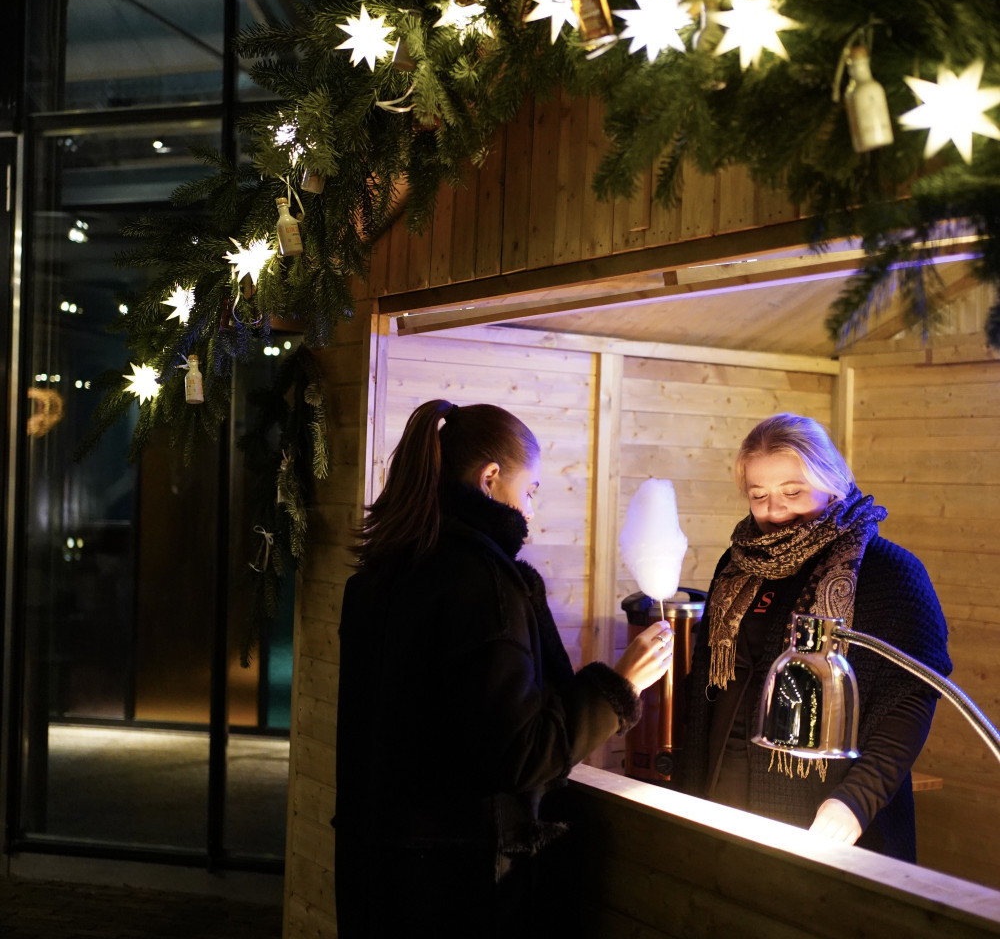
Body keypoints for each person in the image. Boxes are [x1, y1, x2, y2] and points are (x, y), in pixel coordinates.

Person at [334, 399, 672, 938]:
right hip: (457, 888)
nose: (531, 511)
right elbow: (522, 753)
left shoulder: (380, 575)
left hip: (378, 873)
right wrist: (621, 684)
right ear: (490, 478)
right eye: (531, 490)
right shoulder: (482, 585)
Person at [676, 412, 951, 862]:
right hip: (721, 796)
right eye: (758, 495)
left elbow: (910, 702)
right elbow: (708, 685)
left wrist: (856, 800)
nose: (774, 510)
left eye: (793, 492)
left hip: (826, 812)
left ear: (832, 482)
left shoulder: (889, 572)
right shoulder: (736, 565)